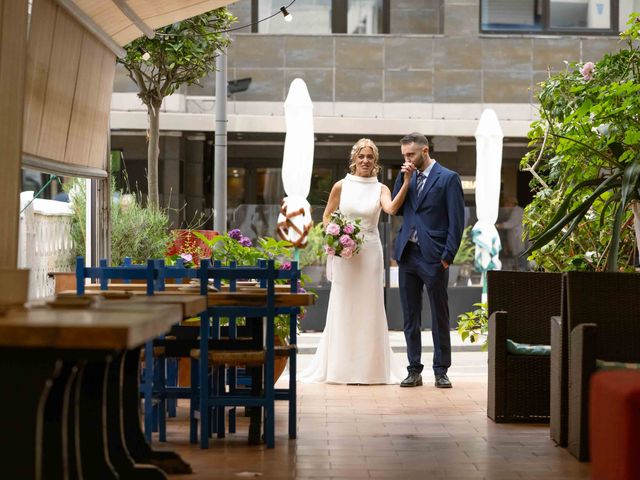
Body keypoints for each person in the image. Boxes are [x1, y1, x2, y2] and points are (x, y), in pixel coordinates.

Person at [299, 138, 414, 384]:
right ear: (354, 159)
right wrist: (337, 234)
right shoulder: (342, 185)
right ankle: (340, 368)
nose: (365, 161)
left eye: (370, 157)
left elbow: (392, 209)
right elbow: (328, 214)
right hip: (345, 253)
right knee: (344, 304)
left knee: (369, 307)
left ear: (375, 161)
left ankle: (370, 369)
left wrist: (405, 183)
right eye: (361, 156)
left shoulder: (380, 187)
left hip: (370, 252)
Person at [392, 133, 465, 389]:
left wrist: (447, 256)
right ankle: (414, 369)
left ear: (425, 151)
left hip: (434, 256)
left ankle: (441, 369)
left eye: (411, 154)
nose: (407, 159)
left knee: (439, 315)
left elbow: (457, 221)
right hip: (408, 254)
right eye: (404, 156)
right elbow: (396, 208)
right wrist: (405, 179)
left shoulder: (448, 178)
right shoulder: (406, 176)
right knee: (410, 316)